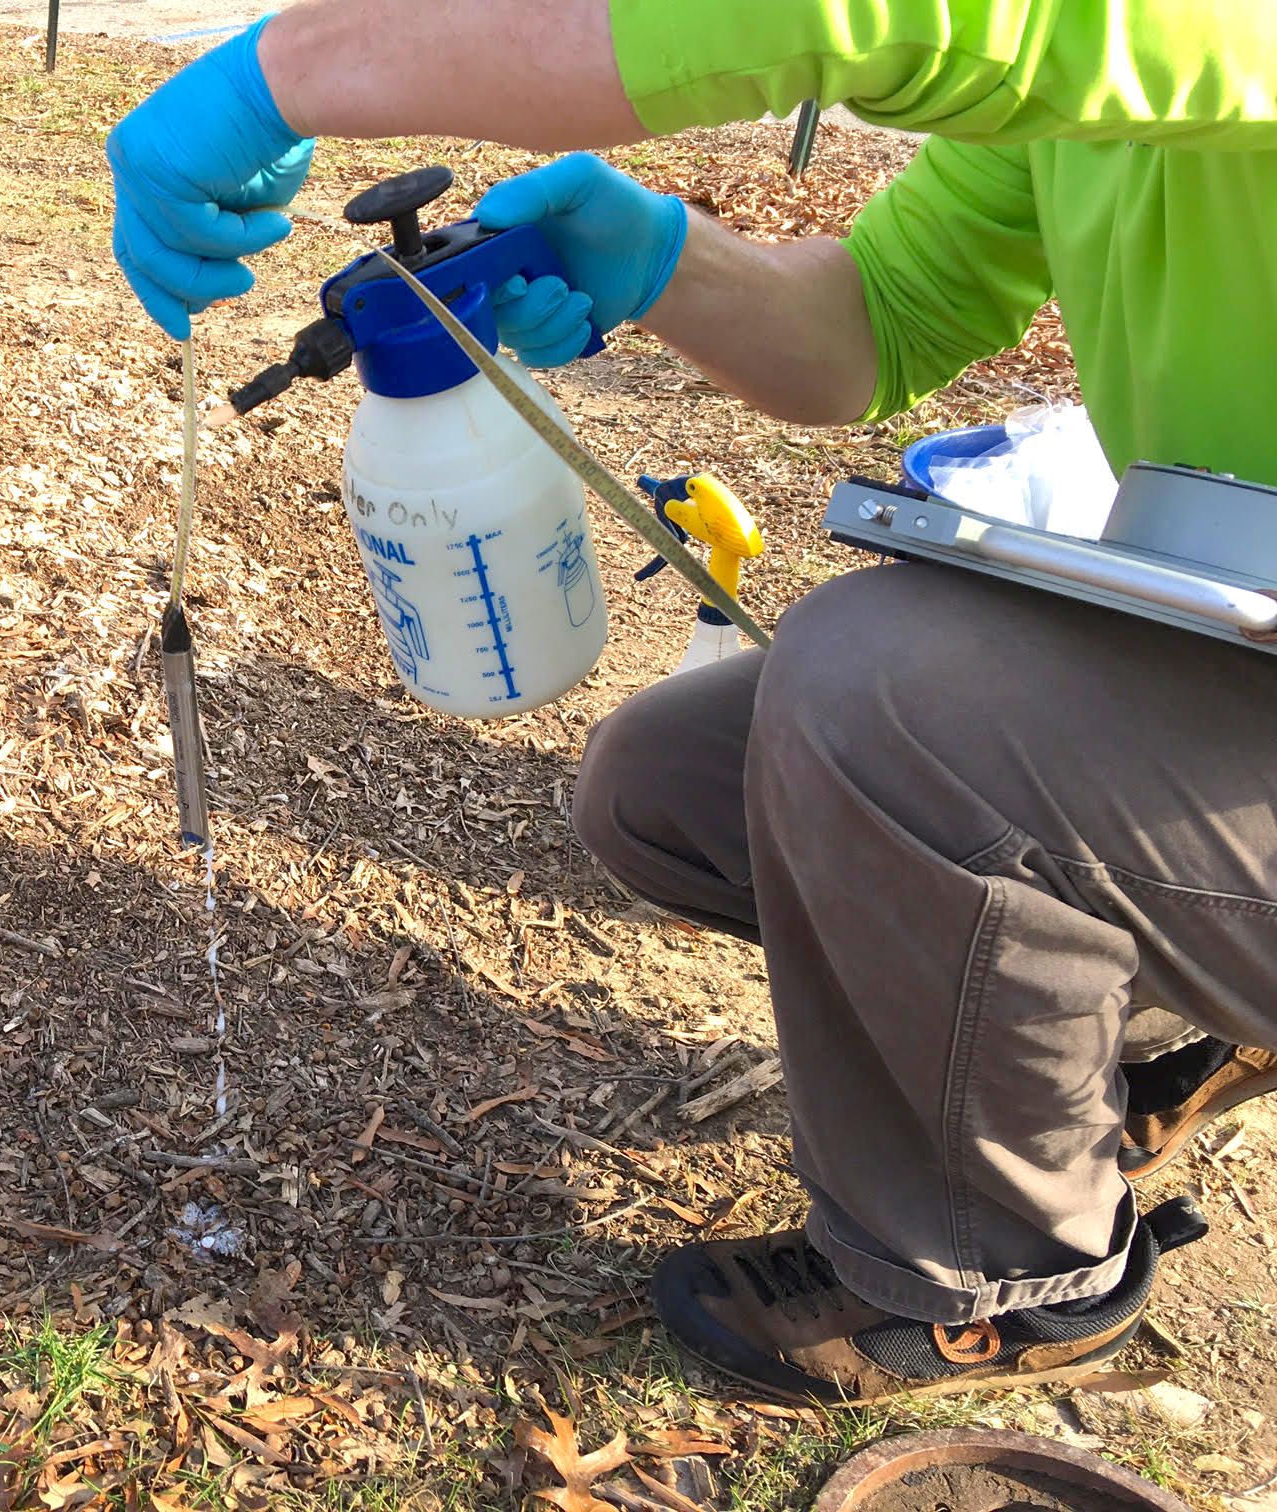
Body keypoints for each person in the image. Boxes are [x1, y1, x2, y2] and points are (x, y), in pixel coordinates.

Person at [106, 0, 1277, 1406]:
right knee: (677, 789)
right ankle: (1128, 1043)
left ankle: (1008, 1280)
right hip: (1230, 626)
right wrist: (657, 258)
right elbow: (873, 323)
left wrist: (282, 72)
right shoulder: (1087, 111)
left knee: (870, 701)